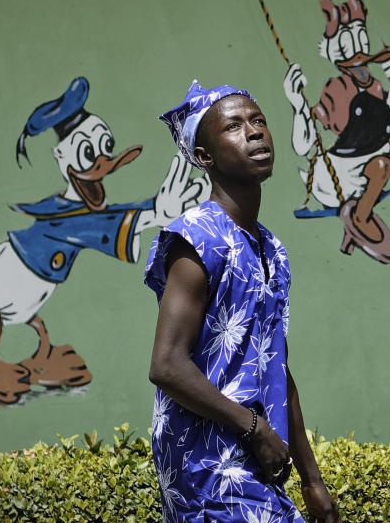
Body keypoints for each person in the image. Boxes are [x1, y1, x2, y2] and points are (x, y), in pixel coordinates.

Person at [145, 80, 342, 522]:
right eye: (233, 126)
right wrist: (254, 428)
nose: (254, 132)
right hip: (208, 465)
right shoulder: (196, 238)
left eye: (258, 121)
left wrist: (312, 480)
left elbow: (275, 364)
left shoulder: (271, 248)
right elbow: (167, 365)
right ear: (204, 157)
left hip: (256, 459)